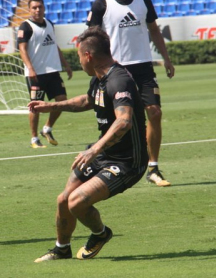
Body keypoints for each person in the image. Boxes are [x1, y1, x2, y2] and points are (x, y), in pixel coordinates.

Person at [31, 27, 148, 262]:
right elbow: (87, 100)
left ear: (88, 56)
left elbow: (124, 121)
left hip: (127, 162)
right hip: (104, 153)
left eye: (78, 57)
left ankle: (101, 234)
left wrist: (95, 149)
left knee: (77, 201)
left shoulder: (119, 80)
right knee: (64, 199)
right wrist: (51, 107)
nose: (79, 63)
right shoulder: (99, 78)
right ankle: (61, 248)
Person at [87, 0, 175, 187]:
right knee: (120, 120)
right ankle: (113, 161)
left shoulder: (143, 0)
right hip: (116, 71)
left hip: (143, 67)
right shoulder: (101, 5)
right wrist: (94, 67)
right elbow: (91, 39)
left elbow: (154, 30)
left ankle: (153, 168)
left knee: (154, 113)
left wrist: (166, 58)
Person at [17, 0, 73, 148]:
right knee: (35, 107)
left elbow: (54, 46)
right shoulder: (25, 27)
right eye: (34, 7)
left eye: (40, 7)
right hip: (35, 74)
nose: (37, 10)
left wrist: (66, 65)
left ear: (44, 8)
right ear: (29, 10)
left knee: (62, 100)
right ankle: (34, 139)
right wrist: (30, 68)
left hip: (52, 71)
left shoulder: (50, 24)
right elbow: (22, 49)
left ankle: (47, 128)